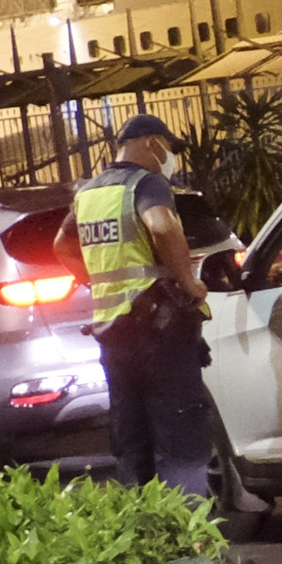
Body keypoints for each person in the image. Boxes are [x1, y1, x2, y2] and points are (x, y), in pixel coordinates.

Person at [75, 115, 216, 499]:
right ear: (152, 142)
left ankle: (143, 532)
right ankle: (189, 534)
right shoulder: (147, 183)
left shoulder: (89, 192)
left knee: (131, 436)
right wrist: (189, 283)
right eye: (169, 147)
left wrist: (97, 280)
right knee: (179, 435)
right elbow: (162, 226)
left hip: (113, 334)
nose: (171, 157)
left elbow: (61, 243)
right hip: (159, 329)